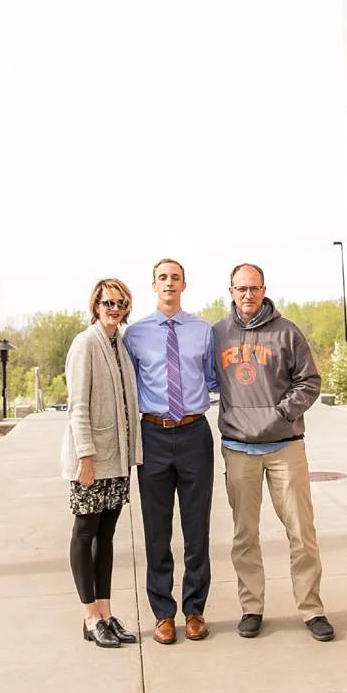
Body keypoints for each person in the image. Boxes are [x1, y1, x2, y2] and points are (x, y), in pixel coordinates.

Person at [212, 264, 334, 641]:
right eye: (241, 288)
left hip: (285, 447)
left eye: (254, 288)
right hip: (238, 448)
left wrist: (281, 415)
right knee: (245, 535)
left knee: (301, 532)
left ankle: (312, 609)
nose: (247, 295)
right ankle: (252, 608)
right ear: (231, 292)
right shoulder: (217, 334)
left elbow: (309, 381)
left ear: (264, 290)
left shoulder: (287, 332)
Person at [125, 258, 219, 644]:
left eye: (175, 277)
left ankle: (194, 610)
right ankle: (163, 613)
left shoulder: (202, 331)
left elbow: (213, 378)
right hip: (153, 436)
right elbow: (129, 386)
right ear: (154, 285)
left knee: (197, 530)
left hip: (195, 433)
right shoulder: (135, 334)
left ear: (184, 285)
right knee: (156, 531)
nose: (169, 283)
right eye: (162, 277)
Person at [62, 276, 144, 648]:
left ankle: (106, 613)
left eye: (120, 303)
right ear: (96, 305)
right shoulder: (86, 343)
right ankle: (90, 616)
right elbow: (77, 406)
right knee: (85, 533)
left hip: (118, 460)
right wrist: (85, 457)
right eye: (108, 302)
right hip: (92, 461)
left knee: (106, 536)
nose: (114, 309)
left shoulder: (119, 345)